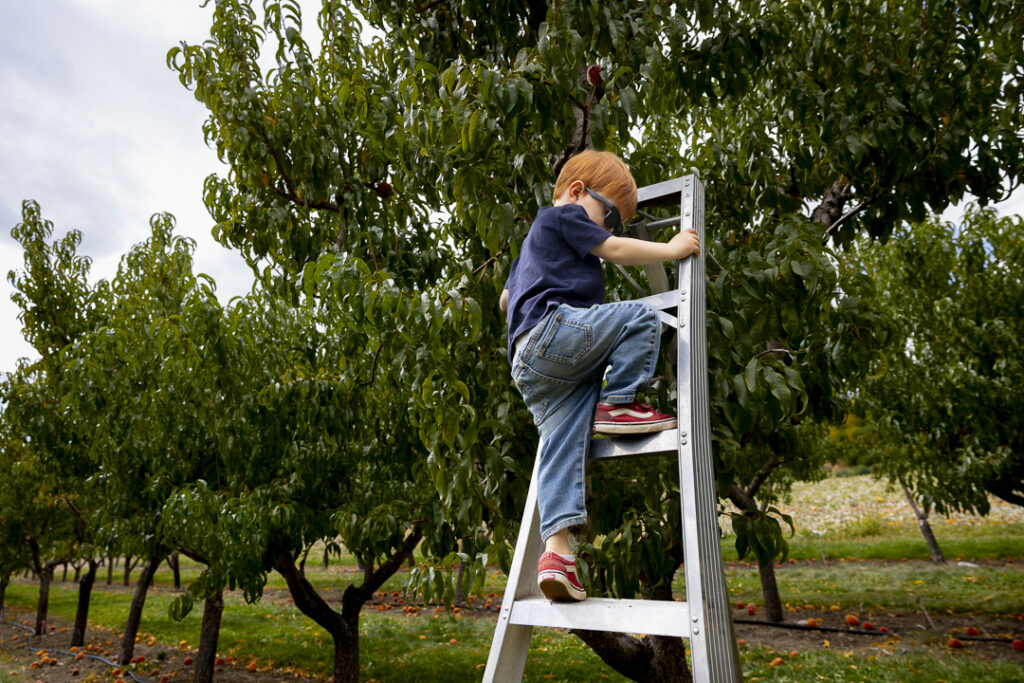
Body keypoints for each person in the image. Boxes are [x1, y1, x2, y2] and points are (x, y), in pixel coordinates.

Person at [499, 150, 701, 602]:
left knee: (562, 446)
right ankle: (621, 400)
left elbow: (505, 300)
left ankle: (557, 556)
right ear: (576, 192)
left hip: (532, 366)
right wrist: (671, 249)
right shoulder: (561, 216)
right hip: (552, 334)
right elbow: (612, 250)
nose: (608, 229)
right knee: (640, 319)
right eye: (608, 214)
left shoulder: (534, 245)